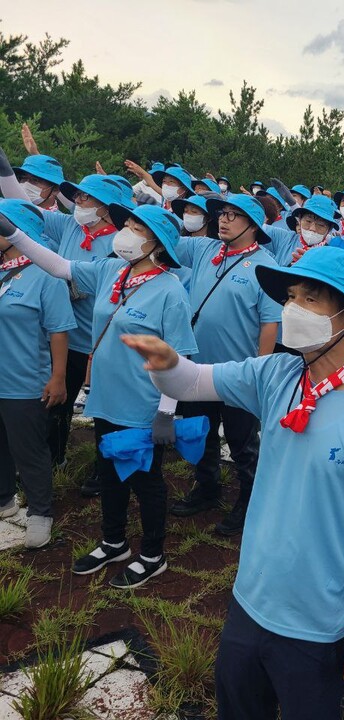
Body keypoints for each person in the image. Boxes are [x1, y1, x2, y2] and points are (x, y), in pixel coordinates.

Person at [128, 246, 344, 719]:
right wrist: (167, 363)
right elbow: (191, 383)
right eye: (290, 296)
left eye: (310, 298)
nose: (292, 309)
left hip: (323, 622)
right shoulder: (276, 374)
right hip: (252, 598)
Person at [1, 201, 197, 589]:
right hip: (107, 397)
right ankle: (114, 541)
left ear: (156, 243)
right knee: (109, 474)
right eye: (130, 224)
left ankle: (153, 554)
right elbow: (59, 266)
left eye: (138, 228)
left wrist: (167, 412)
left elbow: (181, 358)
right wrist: (13, 233)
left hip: (143, 403)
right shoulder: (112, 271)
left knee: (146, 480)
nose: (127, 231)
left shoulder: (170, 290)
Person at [0, 148, 130, 487]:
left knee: (103, 409)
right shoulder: (71, 226)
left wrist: (80, 284)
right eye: (79, 196)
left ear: (105, 208)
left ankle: (105, 469)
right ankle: (53, 459)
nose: (80, 202)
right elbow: (23, 214)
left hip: (98, 341)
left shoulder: (122, 243)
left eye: (88, 197)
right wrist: (4, 171)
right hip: (64, 334)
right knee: (57, 403)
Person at [168, 194, 281, 536]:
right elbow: (168, 241)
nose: (224, 219)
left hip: (238, 374)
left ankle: (249, 502)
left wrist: (260, 374)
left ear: (253, 225)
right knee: (200, 433)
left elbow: (269, 325)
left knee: (243, 443)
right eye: (223, 213)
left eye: (234, 215)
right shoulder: (205, 250)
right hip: (196, 368)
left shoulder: (266, 265)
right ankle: (208, 488)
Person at [0, 199, 77, 548]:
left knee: (29, 451)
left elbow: (59, 330)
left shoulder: (46, 274)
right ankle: (4, 501)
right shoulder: (2, 268)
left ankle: (41, 513)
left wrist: (58, 377)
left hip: (25, 381)